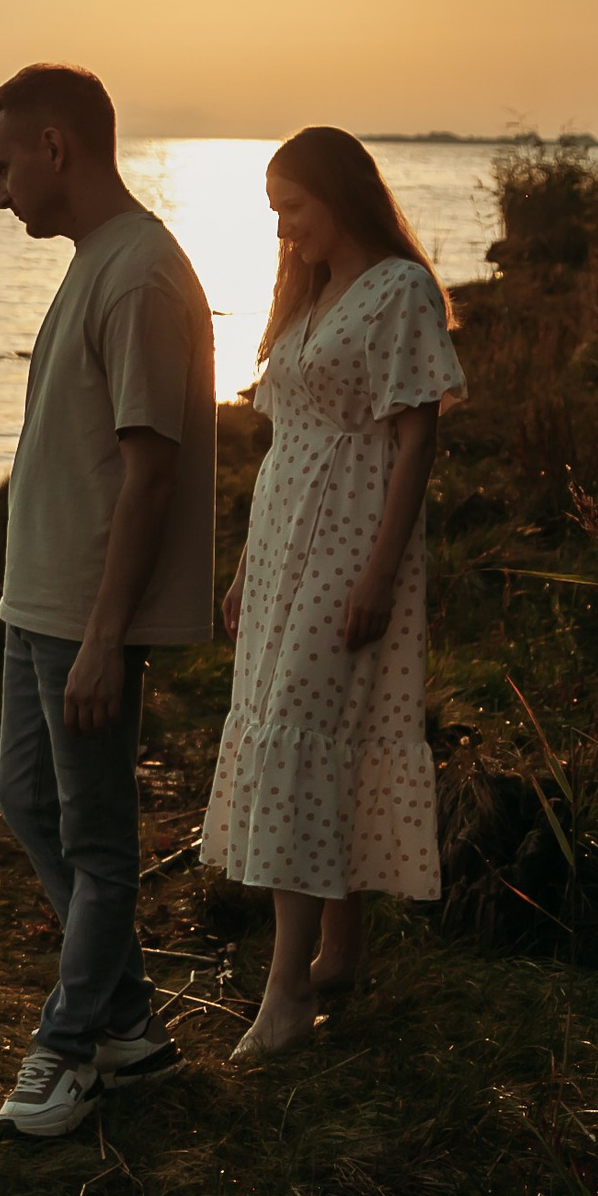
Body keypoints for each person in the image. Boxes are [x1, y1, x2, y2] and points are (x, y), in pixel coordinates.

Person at [0, 64, 217, 1139]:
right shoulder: (96, 263)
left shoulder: (138, 276)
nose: (0, 195)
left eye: (2, 166)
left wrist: (105, 641)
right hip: (38, 602)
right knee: (27, 803)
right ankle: (127, 1024)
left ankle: (68, 1050)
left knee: (99, 837)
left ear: (54, 145)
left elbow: (149, 470)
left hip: (85, 617)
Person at [199, 125, 466, 1061]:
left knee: (303, 734)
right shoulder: (306, 290)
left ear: (340, 197)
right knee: (310, 733)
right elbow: (284, 441)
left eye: (293, 210)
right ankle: (339, 955)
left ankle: (284, 996)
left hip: (354, 542)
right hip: (282, 546)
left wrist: (381, 570)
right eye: (272, 214)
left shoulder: (397, 291)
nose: (282, 231)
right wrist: (241, 566)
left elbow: (415, 436)